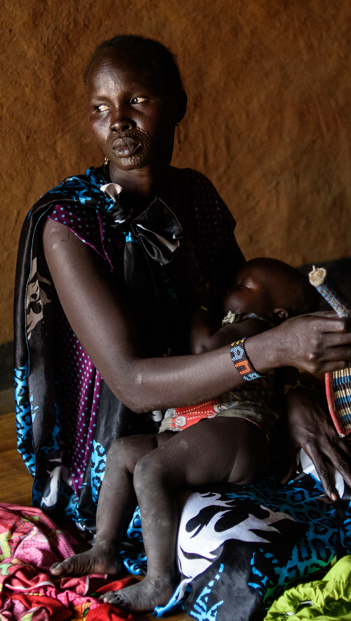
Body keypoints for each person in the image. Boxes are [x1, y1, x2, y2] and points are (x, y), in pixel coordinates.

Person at [13, 35, 351, 620]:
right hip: (127, 451)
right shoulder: (70, 226)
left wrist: (290, 397)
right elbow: (134, 384)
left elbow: (247, 315)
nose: (119, 123)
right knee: (241, 547)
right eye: (101, 108)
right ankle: (138, 557)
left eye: (138, 101)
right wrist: (271, 354)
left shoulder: (196, 198)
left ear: (179, 104)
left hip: (232, 414)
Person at [50, 258, 321, 610]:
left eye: (244, 285)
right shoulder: (236, 323)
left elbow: (204, 349)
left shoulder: (259, 327)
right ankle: (104, 548)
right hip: (197, 424)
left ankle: (160, 581)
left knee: (150, 471)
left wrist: (202, 303)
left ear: (279, 313)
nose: (230, 289)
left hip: (237, 427)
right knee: (122, 452)